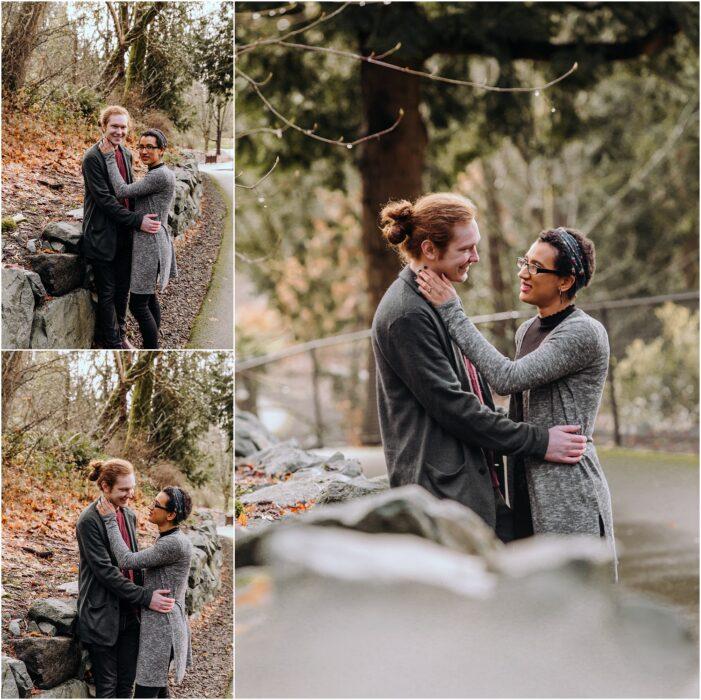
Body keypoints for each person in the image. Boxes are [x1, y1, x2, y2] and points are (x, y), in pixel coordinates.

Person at [371, 193, 587, 542]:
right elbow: (457, 409)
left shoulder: (434, 300)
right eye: (466, 249)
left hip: (469, 482)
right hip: (443, 493)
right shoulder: (406, 314)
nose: (475, 257)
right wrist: (539, 441)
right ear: (429, 249)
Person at [416, 226, 617, 574]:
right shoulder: (528, 329)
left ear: (565, 282)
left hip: (566, 491)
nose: (523, 272)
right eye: (525, 261)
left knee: (575, 605)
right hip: (525, 481)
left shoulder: (583, 333)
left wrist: (452, 311)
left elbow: (507, 379)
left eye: (537, 267)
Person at [76, 459, 175, 698]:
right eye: (123, 489)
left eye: (131, 487)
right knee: (108, 689)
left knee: (125, 687)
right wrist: (146, 598)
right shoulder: (88, 521)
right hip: (103, 616)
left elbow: (132, 562)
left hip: (130, 614)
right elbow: (107, 573)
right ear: (105, 487)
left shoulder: (128, 515)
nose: (130, 494)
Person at [97, 486, 193, 698]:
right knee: (159, 690)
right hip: (163, 624)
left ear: (171, 514)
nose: (150, 507)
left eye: (156, 505)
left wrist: (110, 521)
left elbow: (127, 560)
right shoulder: (171, 538)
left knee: (145, 692)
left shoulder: (172, 544)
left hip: (161, 630)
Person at [80, 106, 161, 349]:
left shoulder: (125, 153)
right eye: (114, 126)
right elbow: (105, 200)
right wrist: (138, 221)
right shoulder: (92, 158)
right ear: (103, 126)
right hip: (102, 234)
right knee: (107, 291)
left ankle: (122, 335)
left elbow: (127, 191)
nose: (119, 131)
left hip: (125, 233)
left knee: (123, 290)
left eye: (123, 127)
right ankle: (112, 341)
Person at [99, 128, 177, 349]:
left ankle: (151, 350)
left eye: (149, 147)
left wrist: (108, 157)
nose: (143, 151)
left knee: (138, 304)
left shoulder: (158, 176)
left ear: (161, 150)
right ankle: (154, 344)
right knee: (149, 297)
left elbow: (122, 190)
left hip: (148, 244)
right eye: (141, 146)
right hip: (153, 239)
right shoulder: (160, 172)